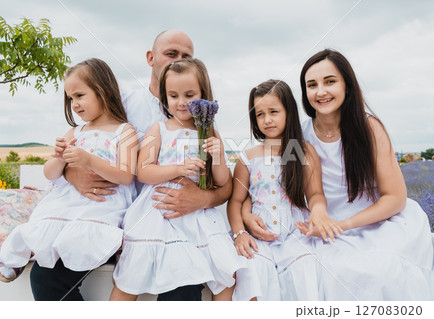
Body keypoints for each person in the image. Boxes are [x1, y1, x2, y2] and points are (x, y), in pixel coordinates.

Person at [32, 30, 232, 301]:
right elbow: (84, 141)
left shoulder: (203, 122)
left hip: (172, 218)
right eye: (171, 54)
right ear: (151, 58)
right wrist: (72, 172)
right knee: (46, 277)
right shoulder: (121, 104)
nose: (177, 62)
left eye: (186, 57)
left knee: (183, 284)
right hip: (110, 213)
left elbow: (221, 182)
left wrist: (203, 199)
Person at [244, 49, 434, 300]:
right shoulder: (298, 140)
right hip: (320, 225)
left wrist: (342, 225)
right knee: (307, 272)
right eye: (312, 85)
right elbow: (263, 182)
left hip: (374, 223)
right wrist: (246, 215)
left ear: (347, 85)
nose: (320, 91)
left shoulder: (369, 128)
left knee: (376, 272)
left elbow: (395, 197)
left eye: (330, 81)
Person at [0, 58, 138, 301]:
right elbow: (50, 174)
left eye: (80, 95)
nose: (74, 104)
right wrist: (60, 159)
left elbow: (126, 176)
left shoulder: (124, 131)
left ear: (103, 91)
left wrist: (89, 160)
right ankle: (19, 255)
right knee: (47, 236)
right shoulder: (75, 132)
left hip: (99, 208)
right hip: (66, 205)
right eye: (70, 98)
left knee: (67, 250)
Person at [110, 58, 245, 301]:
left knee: (227, 273)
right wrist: (178, 168)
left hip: (197, 214)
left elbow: (222, 180)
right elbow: (144, 171)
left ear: (204, 95)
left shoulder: (211, 133)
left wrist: (219, 156)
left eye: (189, 95)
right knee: (133, 270)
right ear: (165, 97)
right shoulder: (159, 129)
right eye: (173, 96)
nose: (181, 102)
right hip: (160, 208)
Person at [227, 79, 331, 301]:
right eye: (260, 114)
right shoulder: (248, 158)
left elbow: (315, 194)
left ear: (288, 111)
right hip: (259, 234)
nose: (267, 120)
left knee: (304, 268)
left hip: (296, 231)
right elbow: (236, 201)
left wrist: (318, 211)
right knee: (253, 270)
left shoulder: (304, 151)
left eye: (274, 111)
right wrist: (239, 233)